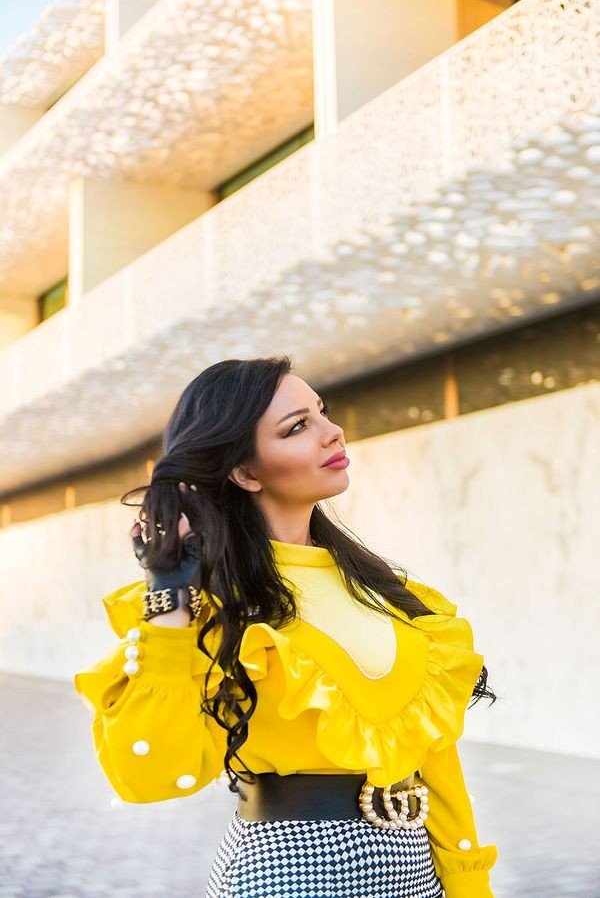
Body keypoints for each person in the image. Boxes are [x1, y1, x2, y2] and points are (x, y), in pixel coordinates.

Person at [74, 355, 499, 898]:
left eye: (322, 412)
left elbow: (434, 754)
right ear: (245, 472)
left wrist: (469, 884)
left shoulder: (387, 593)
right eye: (298, 426)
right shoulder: (209, 608)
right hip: (287, 871)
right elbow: (152, 775)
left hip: (416, 873)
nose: (332, 431)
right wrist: (169, 596)